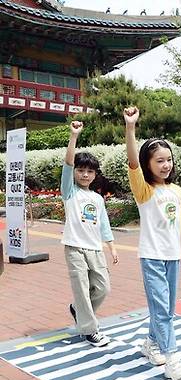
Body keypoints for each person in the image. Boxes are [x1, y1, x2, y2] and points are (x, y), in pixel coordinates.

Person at [123, 106, 181, 380]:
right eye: (158, 161)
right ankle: (173, 359)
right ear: (148, 164)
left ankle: (150, 343)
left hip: (173, 257)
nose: (165, 165)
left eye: (168, 159)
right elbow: (132, 163)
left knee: (166, 310)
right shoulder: (144, 190)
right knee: (162, 310)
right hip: (152, 257)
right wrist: (131, 127)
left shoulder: (176, 190)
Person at [62, 121, 118, 347]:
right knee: (82, 290)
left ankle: (79, 312)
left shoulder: (97, 198)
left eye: (89, 171)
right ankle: (90, 329)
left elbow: (103, 224)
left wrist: (112, 246)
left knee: (103, 288)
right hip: (74, 247)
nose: (85, 174)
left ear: (95, 174)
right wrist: (74, 136)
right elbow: (67, 164)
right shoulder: (69, 191)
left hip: (95, 249)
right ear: (75, 172)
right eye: (81, 170)